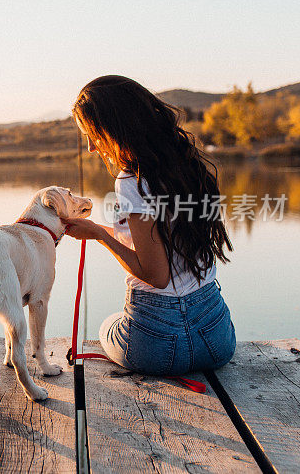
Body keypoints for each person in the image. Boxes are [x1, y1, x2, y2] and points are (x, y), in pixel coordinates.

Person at [61, 75, 236, 375]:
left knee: (108, 325)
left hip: (156, 346)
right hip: (216, 339)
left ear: (116, 127)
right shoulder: (187, 166)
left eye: (93, 134)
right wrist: (105, 231)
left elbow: (157, 276)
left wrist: (99, 235)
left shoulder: (130, 181)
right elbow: (162, 242)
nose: (90, 147)